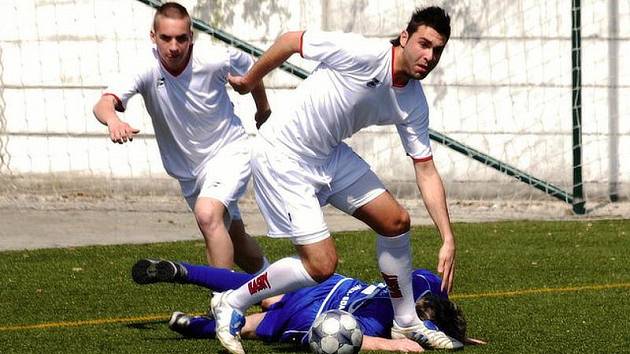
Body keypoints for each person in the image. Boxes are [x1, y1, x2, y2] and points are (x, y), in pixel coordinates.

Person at [210, 6, 458, 353]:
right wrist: (251, 80)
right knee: (322, 265)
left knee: (396, 222)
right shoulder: (363, 52)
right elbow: (291, 41)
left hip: (329, 154)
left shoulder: (413, 100)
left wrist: (447, 236)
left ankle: (405, 324)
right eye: (424, 44)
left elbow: (426, 169)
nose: (429, 56)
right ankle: (232, 302)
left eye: (438, 50)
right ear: (405, 38)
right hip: (284, 154)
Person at [93, 2, 270, 274]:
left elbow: (252, 73)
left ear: (191, 37)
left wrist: (263, 110)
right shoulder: (144, 67)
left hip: (228, 152)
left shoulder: (215, 59)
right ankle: (277, 295)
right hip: (188, 172)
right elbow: (103, 104)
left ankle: (224, 304)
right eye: (166, 38)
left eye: (181, 38)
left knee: (207, 214)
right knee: (235, 239)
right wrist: (114, 120)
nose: (174, 47)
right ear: (153, 37)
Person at [132, 259, 482, 352]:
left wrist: (457, 332)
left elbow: (435, 289)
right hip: (313, 317)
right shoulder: (378, 325)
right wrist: (395, 344)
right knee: (253, 326)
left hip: (329, 285)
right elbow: (360, 340)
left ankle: (184, 272)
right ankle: (193, 325)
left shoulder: (423, 284)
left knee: (256, 285)